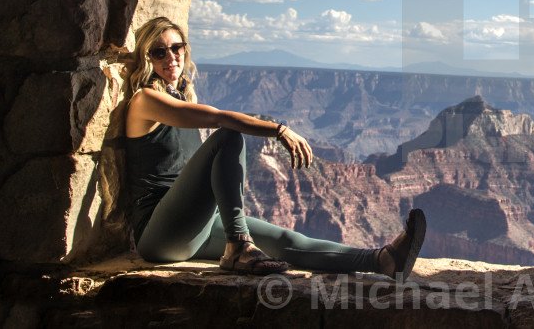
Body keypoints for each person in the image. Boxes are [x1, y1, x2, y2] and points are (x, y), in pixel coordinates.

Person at [110, 16, 425, 278]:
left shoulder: (180, 97)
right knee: (229, 136)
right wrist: (278, 129)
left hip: (191, 227)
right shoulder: (145, 101)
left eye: (176, 47)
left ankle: (383, 261)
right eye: (159, 52)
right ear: (146, 58)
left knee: (286, 240)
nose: (171, 57)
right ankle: (238, 245)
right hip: (159, 234)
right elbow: (219, 118)